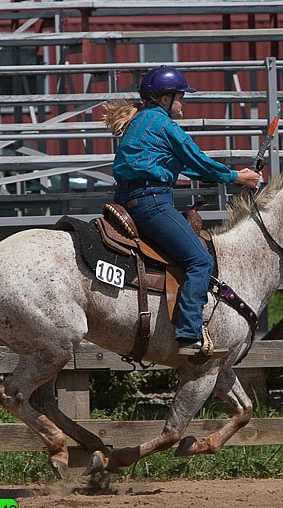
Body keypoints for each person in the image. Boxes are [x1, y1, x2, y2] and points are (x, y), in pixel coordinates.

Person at [103, 65, 261, 358]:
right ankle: (189, 333)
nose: (183, 101)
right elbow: (198, 160)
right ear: (165, 98)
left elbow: (183, 165)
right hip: (151, 203)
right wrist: (238, 178)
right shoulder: (166, 126)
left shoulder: (140, 122)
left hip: (128, 200)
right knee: (200, 261)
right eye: (180, 96)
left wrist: (226, 175)